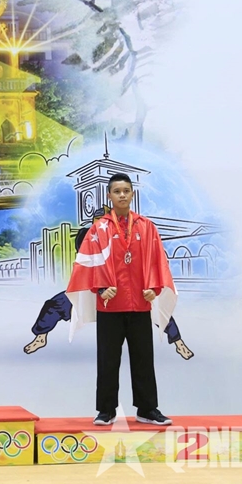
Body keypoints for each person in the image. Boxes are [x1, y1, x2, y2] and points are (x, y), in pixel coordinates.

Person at [66, 174, 176, 427]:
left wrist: (154, 288)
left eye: (126, 190)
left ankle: (147, 409)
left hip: (139, 303)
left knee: (143, 359)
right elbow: (88, 261)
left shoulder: (146, 227)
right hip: (110, 305)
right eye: (117, 191)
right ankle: (106, 410)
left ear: (132, 194)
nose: (122, 195)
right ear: (109, 196)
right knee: (108, 360)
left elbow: (158, 260)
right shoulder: (99, 229)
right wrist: (100, 288)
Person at [24, 210, 193, 360]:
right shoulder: (87, 236)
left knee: (158, 309)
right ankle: (41, 336)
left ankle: (178, 342)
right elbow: (86, 259)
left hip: (127, 287)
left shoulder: (129, 236)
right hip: (96, 285)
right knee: (55, 304)